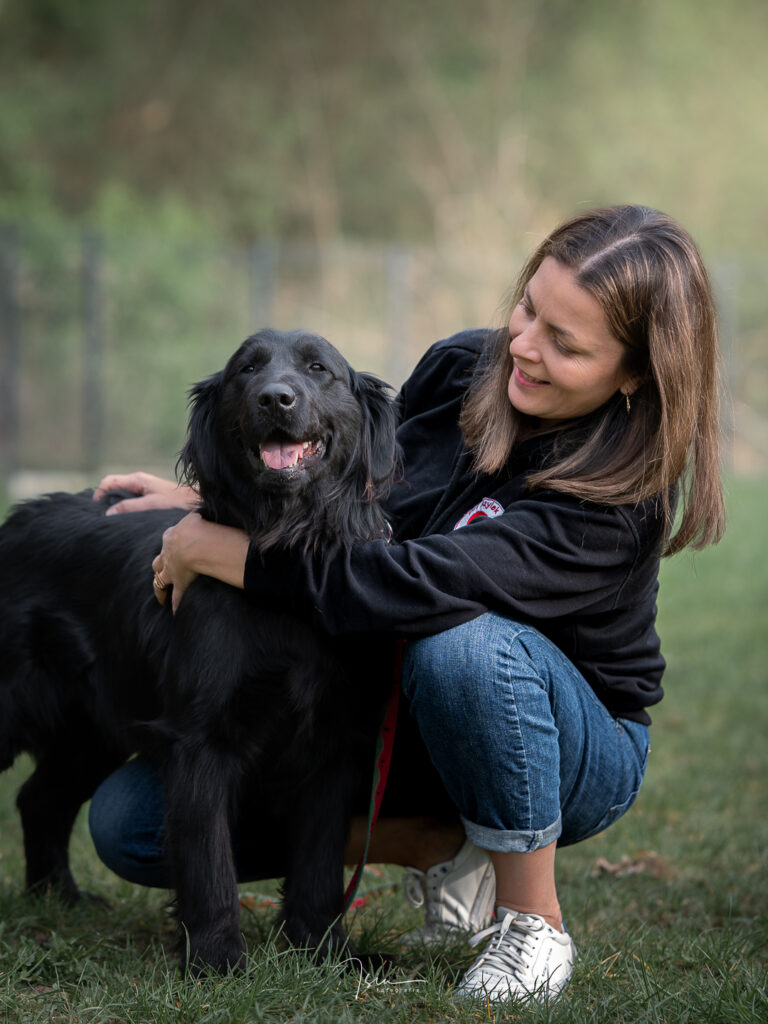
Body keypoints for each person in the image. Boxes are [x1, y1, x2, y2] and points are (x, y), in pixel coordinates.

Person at [89, 204, 725, 1004]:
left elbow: (416, 583)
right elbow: (362, 500)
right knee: (135, 827)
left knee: (462, 644)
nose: (524, 346)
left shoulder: (616, 503)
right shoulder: (459, 368)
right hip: (413, 715)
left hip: (563, 745)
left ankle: (532, 923)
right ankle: (437, 843)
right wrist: (214, 503)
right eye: (529, 310)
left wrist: (236, 557)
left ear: (635, 374)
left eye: (565, 344)